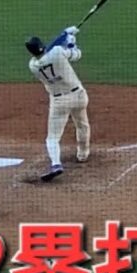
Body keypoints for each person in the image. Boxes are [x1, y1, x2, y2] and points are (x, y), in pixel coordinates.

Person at [25, 26, 90, 182]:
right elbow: (77, 54)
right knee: (82, 125)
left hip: (59, 101)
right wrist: (71, 42)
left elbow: (50, 49)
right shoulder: (58, 52)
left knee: (52, 138)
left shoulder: (33, 65)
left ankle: (56, 164)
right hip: (79, 96)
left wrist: (63, 34)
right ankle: (82, 155)